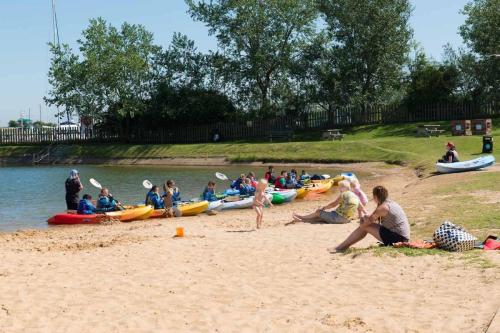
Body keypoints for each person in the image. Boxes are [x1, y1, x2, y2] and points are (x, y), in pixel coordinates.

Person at [330, 185, 410, 252]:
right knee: (365, 225)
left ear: (375, 197)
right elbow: (374, 220)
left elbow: (366, 224)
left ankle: (341, 247)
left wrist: (362, 218)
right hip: (402, 236)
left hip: (398, 239)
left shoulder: (382, 207)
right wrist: (365, 218)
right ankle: (342, 246)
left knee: (365, 227)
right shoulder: (391, 203)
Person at [292, 180, 359, 224]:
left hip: (338, 218)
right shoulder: (355, 196)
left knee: (318, 213)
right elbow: (360, 207)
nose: (339, 189)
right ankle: (302, 220)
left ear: (345, 187)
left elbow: (333, 204)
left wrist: (323, 208)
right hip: (347, 219)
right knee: (321, 218)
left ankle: (301, 217)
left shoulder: (344, 194)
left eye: (340, 187)